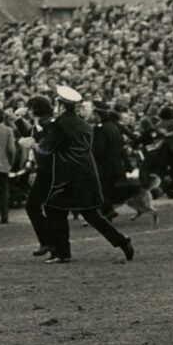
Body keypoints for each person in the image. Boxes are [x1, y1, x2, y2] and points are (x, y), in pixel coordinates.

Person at [22, 86, 134, 264]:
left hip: (67, 175)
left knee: (56, 210)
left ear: (61, 105)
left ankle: (62, 252)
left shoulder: (60, 123)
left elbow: (47, 146)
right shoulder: (81, 123)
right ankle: (121, 241)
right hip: (84, 173)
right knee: (90, 214)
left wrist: (31, 144)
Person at [23, 95, 56, 257]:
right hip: (46, 170)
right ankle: (50, 242)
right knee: (42, 207)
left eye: (30, 108)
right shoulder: (43, 122)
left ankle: (48, 241)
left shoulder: (45, 124)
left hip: (48, 171)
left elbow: (44, 145)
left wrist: (33, 145)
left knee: (34, 206)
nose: (28, 111)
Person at [91, 101, 128, 219]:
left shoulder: (99, 128)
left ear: (97, 115)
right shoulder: (113, 126)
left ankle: (108, 212)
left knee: (101, 190)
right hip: (116, 164)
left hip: (104, 165)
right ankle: (108, 211)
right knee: (106, 190)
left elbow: (100, 148)